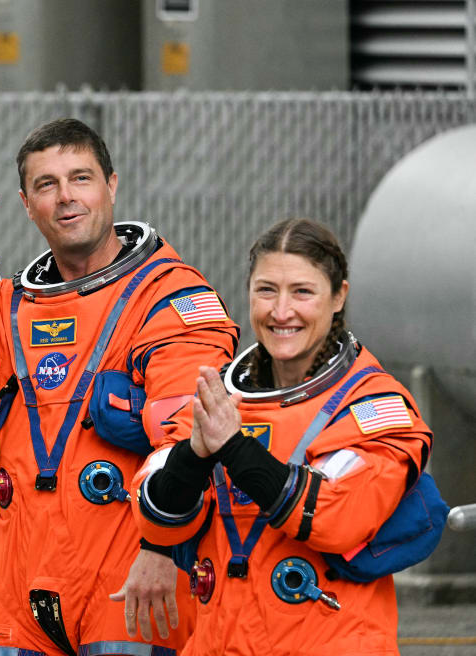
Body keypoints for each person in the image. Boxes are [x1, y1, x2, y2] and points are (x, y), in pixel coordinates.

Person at [0, 119, 239, 655]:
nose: (66, 198)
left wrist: (160, 547)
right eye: (47, 185)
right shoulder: (7, 306)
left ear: (111, 185)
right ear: (26, 202)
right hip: (13, 583)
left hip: (128, 575)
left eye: (80, 179)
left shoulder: (169, 299)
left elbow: (188, 438)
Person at [131, 218, 433, 655]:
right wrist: (195, 454)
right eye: (266, 290)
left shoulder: (373, 406)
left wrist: (232, 447)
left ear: (338, 297)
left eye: (302, 292)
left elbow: (335, 514)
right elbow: (153, 511)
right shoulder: (220, 396)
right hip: (219, 640)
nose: (281, 311)